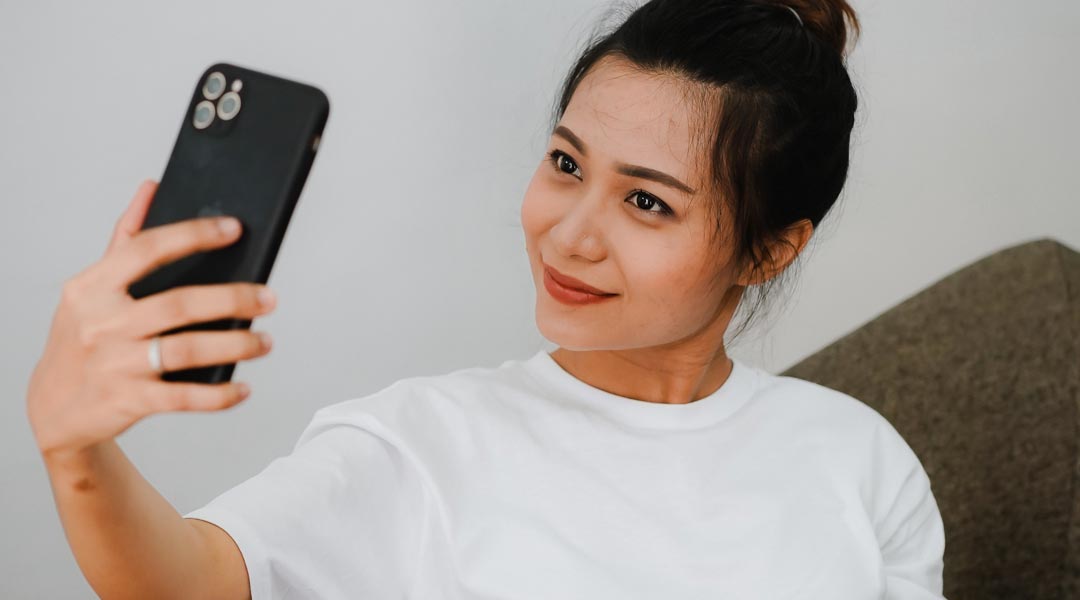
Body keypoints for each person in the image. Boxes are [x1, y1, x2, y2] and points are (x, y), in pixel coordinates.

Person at [26, 0, 946, 598]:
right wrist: (76, 451)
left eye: (646, 201)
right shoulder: (420, 442)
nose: (570, 232)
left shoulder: (861, 460)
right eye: (565, 164)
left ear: (770, 250)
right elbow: (193, 581)